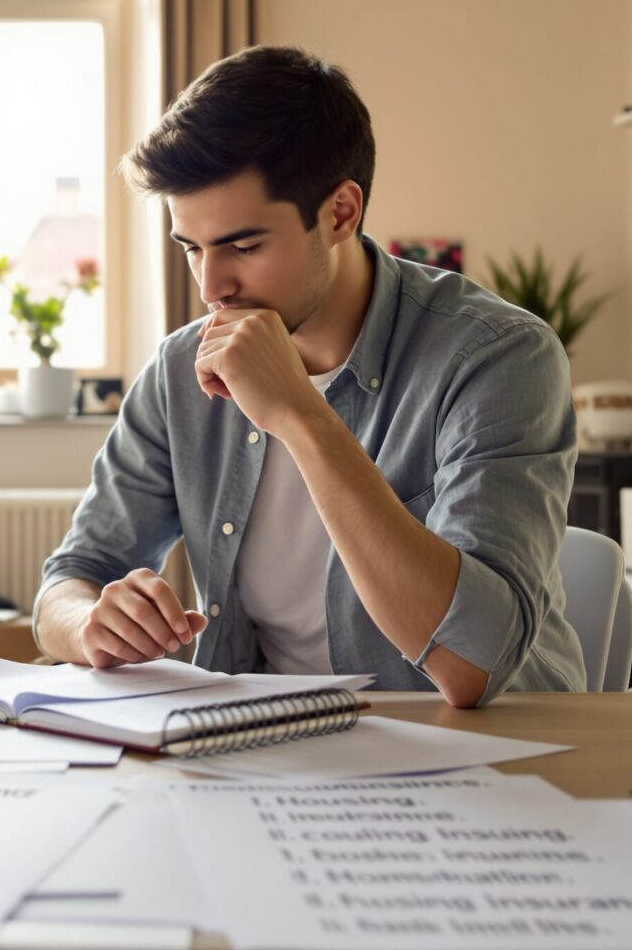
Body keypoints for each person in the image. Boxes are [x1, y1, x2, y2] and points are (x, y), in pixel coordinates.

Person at [33, 45, 586, 708]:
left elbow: (473, 665)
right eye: (191, 249)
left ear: (341, 213)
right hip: (271, 748)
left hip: (483, 754)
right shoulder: (181, 372)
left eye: (243, 246)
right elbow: (67, 582)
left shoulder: (498, 358)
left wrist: (300, 415)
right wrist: (90, 623)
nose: (212, 286)